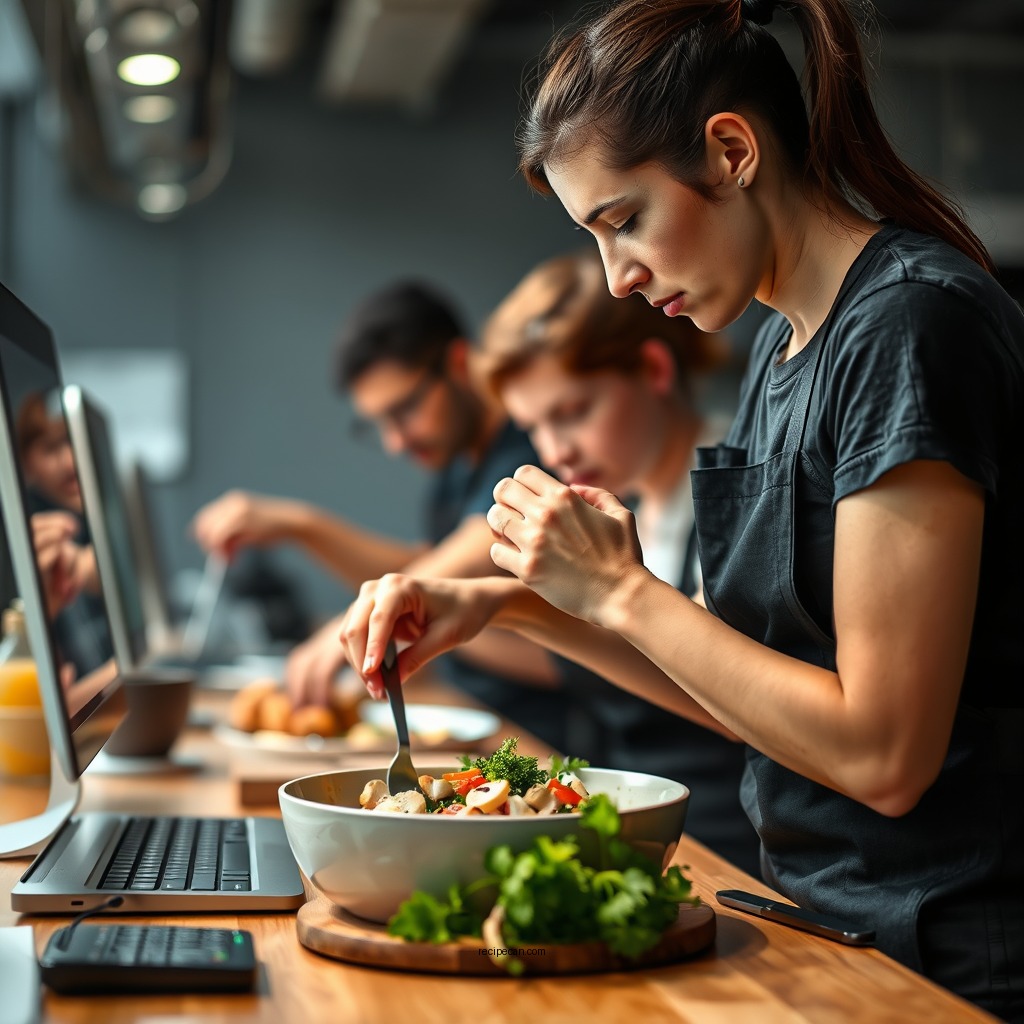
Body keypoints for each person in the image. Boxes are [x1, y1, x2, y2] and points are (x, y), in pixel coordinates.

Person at [335, 0, 1024, 1018]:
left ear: (732, 150)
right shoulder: (781, 349)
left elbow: (880, 753)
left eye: (623, 221)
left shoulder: (907, 328)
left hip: (938, 961)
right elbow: (747, 699)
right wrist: (506, 606)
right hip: (824, 927)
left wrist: (617, 589)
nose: (618, 276)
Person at [478, 246, 761, 875]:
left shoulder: (737, 490)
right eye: (534, 427)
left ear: (654, 369)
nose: (557, 449)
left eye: (573, 412)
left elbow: (736, 707)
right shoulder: (622, 504)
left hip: (730, 858)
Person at [192, 280, 569, 750]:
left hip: (543, 737)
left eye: (405, 410)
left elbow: (471, 551)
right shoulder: (459, 463)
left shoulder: (539, 445)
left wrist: (349, 625)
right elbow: (423, 572)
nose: (395, 443)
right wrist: (301, 526)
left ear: (457, 363)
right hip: (474, 714)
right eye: (379, 425)